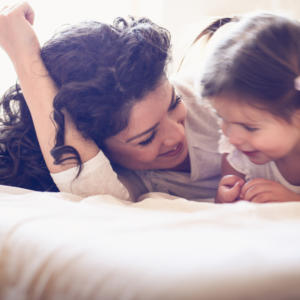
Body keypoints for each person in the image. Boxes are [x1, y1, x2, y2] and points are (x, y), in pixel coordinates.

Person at [0, 2, 221, 201]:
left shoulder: (216, 92)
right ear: (95, 144)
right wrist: (25, 57)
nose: (177, 135)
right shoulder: (133, 180)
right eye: (147, 138)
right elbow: (91, 192)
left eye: (175, 103)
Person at [199, 12, 300, 203]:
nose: (233, 137)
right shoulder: (238, 154)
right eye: (221, 117)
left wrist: (294, 200)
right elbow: (232, 211)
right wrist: (225, 198)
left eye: (250, 127)